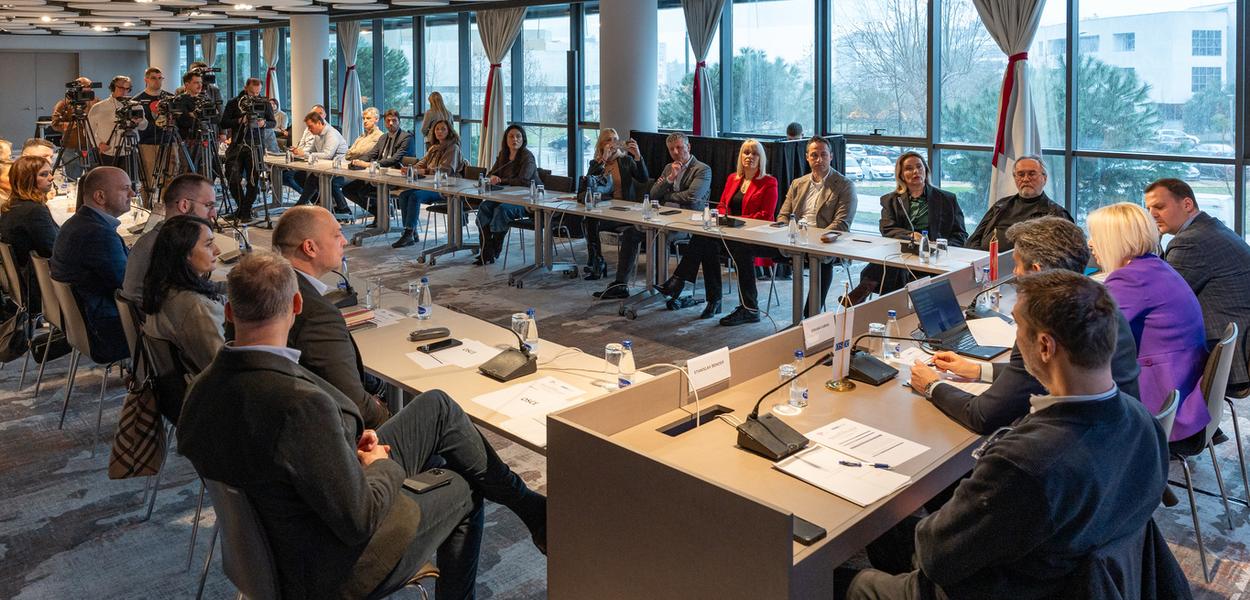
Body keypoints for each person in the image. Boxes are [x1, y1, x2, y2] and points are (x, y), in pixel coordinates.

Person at [177, 251, 547, 600]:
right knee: (461, 486)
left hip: (280, 535)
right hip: (331, 565)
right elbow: (359, 520)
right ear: (296, 306)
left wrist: (341, 454)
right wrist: (379, 466)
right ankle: (529, 518)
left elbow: (276, 463)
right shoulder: (300, 406)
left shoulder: (201, 390)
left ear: (228, 311)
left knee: (435, 406)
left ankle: (532, 508)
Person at [847, 270, 1174, 600]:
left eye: (1018, 329)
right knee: (889, 530)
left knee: (847, 579)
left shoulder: (1025, 464)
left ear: (1045, 345)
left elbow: (934, 558)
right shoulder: (1142, 421)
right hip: (1064, 574)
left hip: (1000, 587)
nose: (1016, 339)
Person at [909, 216, 1141, 434]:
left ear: (1036, 271)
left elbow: (982, 416)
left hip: (1081, 446)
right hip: (1121, 436)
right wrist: (977, 370)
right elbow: (1027, 376)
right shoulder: (1100, 304)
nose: (1014, 273)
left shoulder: (1044, 324)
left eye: (1017, 265)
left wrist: (932, 385)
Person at [1089, 202, 1210, 450]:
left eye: (1096, 236)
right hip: (1183, 391)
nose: (1091, 243)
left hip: (1161, 404)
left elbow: (1087, 332)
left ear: (1114, 239)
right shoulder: (1154, 267)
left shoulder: (1130, 278)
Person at [272, 205, 391, 428]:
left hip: (294, 420)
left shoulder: (269, 286)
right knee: (439, 408)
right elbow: (357, 406)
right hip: (339, 434)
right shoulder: (316, 314)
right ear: (310, 247)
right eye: (337, 235)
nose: (344, 241)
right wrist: (386, 412)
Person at [719, 136, 855, 323]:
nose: (819, 159)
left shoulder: (845, 185)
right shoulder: (798, 184)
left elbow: (841, 224)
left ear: (831, 156)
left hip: (824, 244)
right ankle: (750, 308)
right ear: (807, 157)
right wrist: (788, 233)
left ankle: (809, 319)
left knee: (822, 261)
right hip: (792, 240)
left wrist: (812, 239)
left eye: (824, 154)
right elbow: (783, 216)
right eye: (814, 155)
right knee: (743, 247)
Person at [1147, 178, 1250, 396]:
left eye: (1159, 207)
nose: (1152, 214)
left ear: (1187, 204)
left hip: (1224, 357)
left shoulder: (1191, 241)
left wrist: (1147, 243)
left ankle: (1167, 426)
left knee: (1137, 363)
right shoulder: (1211, 228)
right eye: (1148, 209)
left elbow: (1159, 300)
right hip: (1236, 345)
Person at [657, 139, 776, 320]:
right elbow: (721, 205)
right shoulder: (733, 178)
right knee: (705, 240)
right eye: (746, 153)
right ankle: (714, 301)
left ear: (761, 158)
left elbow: (766, 216)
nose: (750, 157)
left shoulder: (769, 182)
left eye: (755, 153)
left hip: (753, 237)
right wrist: (723, 218)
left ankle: (680, 283)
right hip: (728, 233)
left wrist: (735, 221)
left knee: (723, 246)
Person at [594, 132, 710, 299]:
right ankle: (621, 285)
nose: (676, 152)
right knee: (631, 233)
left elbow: (692, 198)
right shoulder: (669, 168)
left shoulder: (702, 169)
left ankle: (660, 284)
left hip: (688, 222)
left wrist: (667, 196)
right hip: (663, 216)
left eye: (679, 148)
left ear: (688, 147)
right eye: (671, 149)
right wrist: (670, 179)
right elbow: (654, 193)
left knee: (658, 235)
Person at [845, 152, 966, 305]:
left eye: (919, 167)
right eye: (909, 168)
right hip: (904, 252)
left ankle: (867, 296)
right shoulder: (891, 200)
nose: (915, 171)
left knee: (891, 267)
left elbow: (960, 233)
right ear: (901, 175)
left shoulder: (947, 199)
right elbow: (887, 229)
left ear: (925, 170)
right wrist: (911, 236)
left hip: (934, 256)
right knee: (891, 263)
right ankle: (886, 305)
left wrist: (941, 248)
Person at [140, 215, 223, 422]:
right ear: (185, 253)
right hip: (209, 403)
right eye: (209, 244)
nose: (217, 251)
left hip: (176, 397)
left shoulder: (162, 289)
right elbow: (223, 367)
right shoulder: (195, 307)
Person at [50, 166, 131, 363]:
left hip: (83, 327)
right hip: (107, 332)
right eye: (125, 189)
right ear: (100, 197)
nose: (132, 194)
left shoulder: (76, 223)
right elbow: (129, 287)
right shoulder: (98, 234)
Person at [122, 173, 219, 304]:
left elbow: (200, 286)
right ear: (184, 205)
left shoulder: (154, 237)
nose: (214, 213)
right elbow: (194, 300)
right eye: (208, 205)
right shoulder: (169, 245)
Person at [581, 128, 648, 280]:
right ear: (601, 144)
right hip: (603, 209)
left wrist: (637, 156)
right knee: (589, 220)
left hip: (623, 210)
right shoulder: (597, 163)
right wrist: (603, 159)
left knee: (592, 221)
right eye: (608, 140)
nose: (612, 143)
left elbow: (644, 179)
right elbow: (588, 182)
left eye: (615, 139)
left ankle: (596, 263)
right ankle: (597, 260)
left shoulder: (626, 161)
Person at [966, 155, 1071, 250]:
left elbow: (1061, 254)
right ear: (1015, 178)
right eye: (1020, 174)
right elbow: (973, 240)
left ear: (1044, 178)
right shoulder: (1000, 205)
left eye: (1032, 174)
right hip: (986, 264)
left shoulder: (1056, 214)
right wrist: (979, 259)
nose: (1025, 179)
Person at [0, 156, 60, 313]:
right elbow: (53, 251)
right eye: (44, 174)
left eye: (50, 173)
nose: (51, 177)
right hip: (41, 289)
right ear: (28, 179)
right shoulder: (33, 211)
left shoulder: (13, 206)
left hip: (26, 285)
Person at [473, 124, 537, 265]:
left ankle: (494, 250)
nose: (515, 139)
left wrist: (502, 180)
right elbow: (491, 173)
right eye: (511, 136)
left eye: (518, 136)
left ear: (523, 139)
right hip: (504, 196)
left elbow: (523, 180)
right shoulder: (503, 154)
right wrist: (492, 178)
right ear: (506, 140)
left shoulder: (527, 156)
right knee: (484, 207)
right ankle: (486, 249)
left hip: (526, 201)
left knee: (501, 210)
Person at [343, 109, 415, 232]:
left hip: (396, 178)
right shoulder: (383, 137)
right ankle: (380, 214)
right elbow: (372, 154)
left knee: (362, 190)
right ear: (385, 122)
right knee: (348, 190)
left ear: (399, 122)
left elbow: (395, 159)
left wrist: (368, 164)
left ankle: (383, 217)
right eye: (388, 121)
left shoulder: (406, 138)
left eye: (394, 121)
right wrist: (358, 161)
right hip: (378, 177)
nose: (391, 123)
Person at [385, 118, 453, 248]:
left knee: (415, 196)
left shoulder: (453, 148)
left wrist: (422, 170)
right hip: (429, 186)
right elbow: (422, 162)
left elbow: (445, 170)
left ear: (449, 131)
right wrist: (411, 168)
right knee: (404, 195)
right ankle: (410, 231)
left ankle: (409, 232)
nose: (439, 131)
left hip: (444, 189)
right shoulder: (434, 148)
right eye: (437, 129)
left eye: (443, 129)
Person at [219, 78, 277, 223]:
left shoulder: (264, 102)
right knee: (232, 176)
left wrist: (263, 123)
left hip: (255, 144)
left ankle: (244, 211)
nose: (255, 96)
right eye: (252, 92)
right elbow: (224, 122)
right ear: (245, 88)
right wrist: (240, 120)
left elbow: (272, 122)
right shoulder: (234, 102)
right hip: (237, 144)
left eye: (258, 93)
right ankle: (243, 208)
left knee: (254, 179)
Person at [327, 107, 385, 214]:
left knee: (335, 183)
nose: (365, 121)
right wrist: (356, 152)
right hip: (355, 169)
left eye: (368, 118)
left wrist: (355, 152)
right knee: (332, 182)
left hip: (367, 172)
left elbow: (365, 152)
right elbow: (349, 154)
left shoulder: (379, 136)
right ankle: (374, 211)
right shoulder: (362, 135)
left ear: (376, 119)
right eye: (363, 118)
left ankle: (345, 210)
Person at [134, 67, 176, 207]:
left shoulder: (170, 98)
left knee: (171, 175)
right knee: (148, 178)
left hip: (169, 141)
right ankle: (147, 208)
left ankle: (166, 207)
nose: (157, 81)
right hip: (147, 143)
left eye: (160, 78)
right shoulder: (137, 100)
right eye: (153, 78)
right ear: (146, 79)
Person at [86, 75, 147, 171]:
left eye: (127, 89)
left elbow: (144, 126)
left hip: (129, 152)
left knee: (129, 184)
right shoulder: (99, 107)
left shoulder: (136, 106)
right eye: (121, 88)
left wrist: (139, 122)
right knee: (108, 183)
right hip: (108, 152)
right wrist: (98, 144)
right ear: (113, 87)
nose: (124, 91)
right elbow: (88, 130)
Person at [290, 111, 348, 207]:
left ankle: (342, 208)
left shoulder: (331, 134)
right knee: (300, 176)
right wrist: (299, 152)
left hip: (340, 169)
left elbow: (328, 155)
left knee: (314, 178)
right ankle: (317, 203)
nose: (309, 129)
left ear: (319, 123)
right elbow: (311, 150)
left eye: (310, 126)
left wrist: (305, 154)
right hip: (326, 168)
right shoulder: (317, 135)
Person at [51, 76, 97, 180]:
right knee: (73, 178)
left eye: (90, 86)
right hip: (71, 146)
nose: (88, 89)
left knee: (94, 179)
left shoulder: (96, 102)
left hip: (91, 145)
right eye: (85, 86)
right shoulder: (64, 104)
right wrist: (74, 123)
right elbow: (55, 124)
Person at [281, 104, 326, 195]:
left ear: (325, 115)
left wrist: (301, 152)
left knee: (288, 176)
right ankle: (310, 199)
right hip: (301, 159)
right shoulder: (307, 129)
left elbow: (313, 151)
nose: (317, 116)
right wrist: (296, 150)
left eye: (320, 113)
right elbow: (301, 144)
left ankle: (310, 199)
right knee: (280, 174)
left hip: (313, 162)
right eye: (315, 113)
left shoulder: (324, 130)